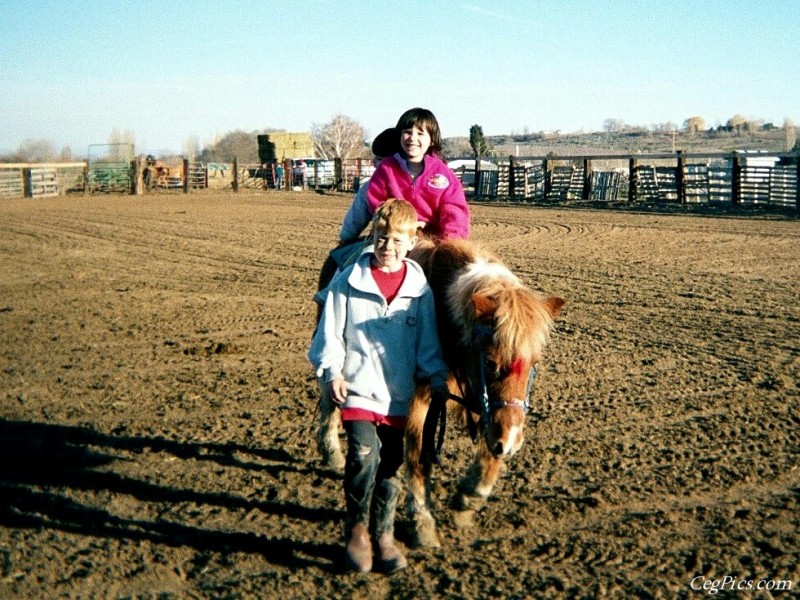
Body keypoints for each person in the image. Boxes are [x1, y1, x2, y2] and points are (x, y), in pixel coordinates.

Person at [308, 199, 449, 574]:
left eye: (397, 240)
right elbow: (331, 333)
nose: (387, 247)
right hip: (355, 386)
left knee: (390, 467)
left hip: (398, 393)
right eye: (381, 237)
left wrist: (435, 376)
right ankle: (356, 530)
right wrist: (331, 372)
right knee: (363, 457)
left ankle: (383, 535)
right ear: (372, 235)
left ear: (411, 242)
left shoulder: (419, 289)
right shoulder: (349, 280)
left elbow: (428, 341)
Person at [339, 107, 470, 243]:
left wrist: (451, 244)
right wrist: (404, 224)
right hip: (391, 236)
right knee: (364, 261)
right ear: (400, 136)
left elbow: (455, 211)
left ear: (432, 140)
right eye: (407, 132)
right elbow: (377, 202)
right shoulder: (386, 168)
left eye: (420, 133)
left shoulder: (444, 175)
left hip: (429, 240)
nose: (413, 138)